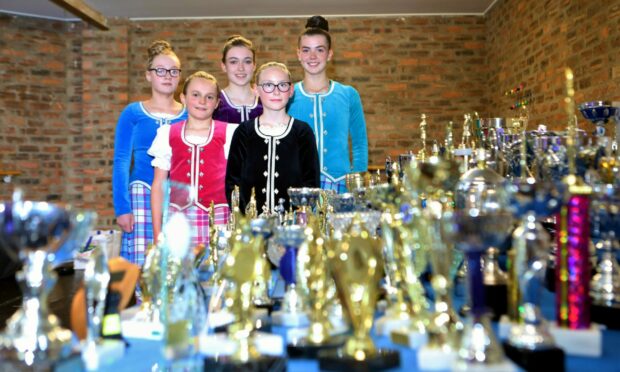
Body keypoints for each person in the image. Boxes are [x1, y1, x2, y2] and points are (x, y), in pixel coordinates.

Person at [112, 40, 187, 266]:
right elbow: (122, 160)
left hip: (177, 197)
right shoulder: (133, 112)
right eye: (160, 70)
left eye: (173, 71)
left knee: (175, 262)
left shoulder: (189, 113)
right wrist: (122, 208)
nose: (167, 76)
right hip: (141, 195)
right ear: (148, 75)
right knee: (142, 263)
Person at [149, 72, 237, 247]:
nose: (202, 101)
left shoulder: (230, 133)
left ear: (217, 103)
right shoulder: (168, 134)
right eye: (195, 95)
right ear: (183, 98)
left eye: (209, 97)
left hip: (219, 221)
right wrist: (158, 233)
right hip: (179, 221)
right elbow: (158, 185)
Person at [287, 15, 369, 193]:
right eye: (306, 50)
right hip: (299, 187)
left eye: (320, 50)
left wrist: (357, 185)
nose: (313, 56)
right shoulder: (287, 94)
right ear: (298, 54)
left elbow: (359, 143)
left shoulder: (349, 95)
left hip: (341, 186)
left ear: (330, 54)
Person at [226, 62, 320, 214]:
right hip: (251, 226)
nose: (276, 92)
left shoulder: (302, 132)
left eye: (282, 85)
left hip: (293, 226)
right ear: (256, 90)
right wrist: (243, 218)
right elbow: (233, 183)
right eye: (268, 85)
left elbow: (310, 183)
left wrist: (299, 216)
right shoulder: (244, 132)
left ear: (291, 91)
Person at [213, 35, 263, 124]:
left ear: (254, 65)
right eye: (233, 62)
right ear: (224, 66)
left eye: (247, 61)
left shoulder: (266, 101)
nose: (241, 68)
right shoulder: (213, 103)